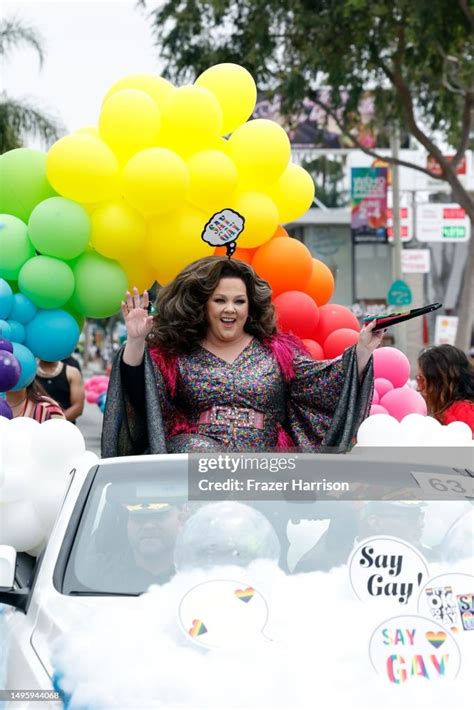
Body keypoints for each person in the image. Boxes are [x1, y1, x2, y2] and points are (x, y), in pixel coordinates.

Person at [102, 257, 382, 456]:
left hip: (262, 474)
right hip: (193, 472)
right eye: (220, 300)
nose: (230, 309)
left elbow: (324, 384)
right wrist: (136, 341)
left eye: (239, 301)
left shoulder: (279, 352)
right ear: (201, 305)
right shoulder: (176, 354)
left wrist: (362, 351)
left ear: (251, 306)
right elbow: (142, 398)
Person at [294, 501, 435, 573]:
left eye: (421, 516)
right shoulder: (319, 568)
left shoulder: (434, 561)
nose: (421, 524)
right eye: (412, 518)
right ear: (375, 522)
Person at [417, 344, 474, 434]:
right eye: (418, 379)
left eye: (422, 379)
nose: (418, 388)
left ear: (441, 382)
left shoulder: (464, 412)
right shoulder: (444, 410)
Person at [36, 358, 85, 424]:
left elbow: (78, 407)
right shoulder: (28, 372)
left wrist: (54, 424)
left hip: (64, 428)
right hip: (35, 428)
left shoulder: (72, 372)